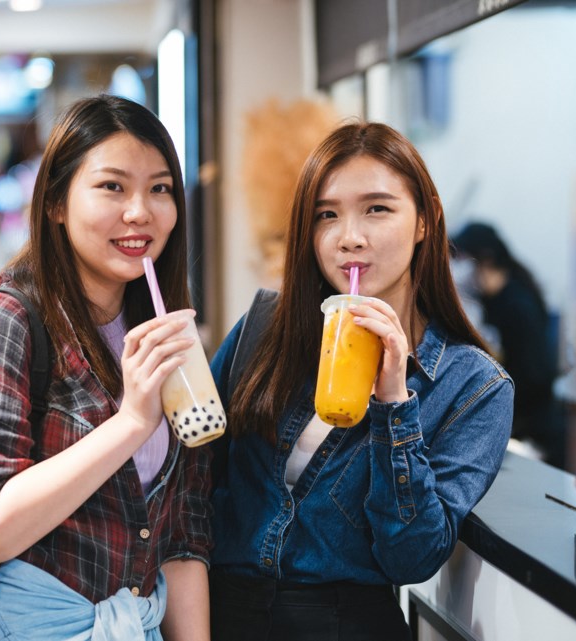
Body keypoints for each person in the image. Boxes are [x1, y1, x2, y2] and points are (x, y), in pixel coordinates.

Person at [208, 122, 514, 640]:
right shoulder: (263, 330)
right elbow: (191, 485)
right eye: (327, 215)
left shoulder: (472, 385)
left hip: (345, 624)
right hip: (222, 614)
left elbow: (413, 557)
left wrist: (395, 405)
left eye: (377, 208)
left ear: (425, 221)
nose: (349, 237)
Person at [0, 94, 211, 640]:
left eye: (160, 188)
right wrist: (130, 423)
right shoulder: (1, 324)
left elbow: (182, 533)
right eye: (112, 186)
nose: (140, 212)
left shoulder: (161, 333)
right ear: (55, 203)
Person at [452, 221, 564, 466]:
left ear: (486, 259)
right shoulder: (490, 301)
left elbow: (535, 375)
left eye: (465, 260)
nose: (459, 269)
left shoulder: (517, 306)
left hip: (533, 427)